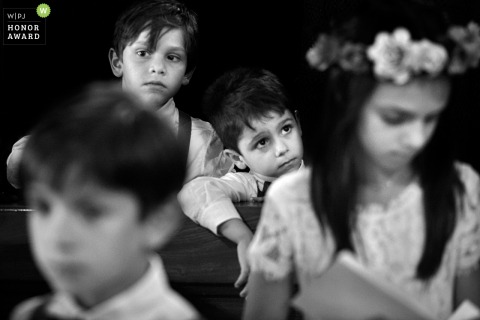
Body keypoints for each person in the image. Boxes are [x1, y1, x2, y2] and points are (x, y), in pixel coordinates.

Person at [243, 0, 480, 319]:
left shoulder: (459, 188)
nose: (417, 139)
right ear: (350, 105)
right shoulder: (294, 200)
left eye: (430, 119)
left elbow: (470, 308)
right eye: (395, 118)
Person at [9, 81, 202, 320]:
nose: (57, 237)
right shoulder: (28, 314)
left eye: (91, 211)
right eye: (44, 207)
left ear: (157, 220)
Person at [5, 0, 232, 189]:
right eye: (143, 53)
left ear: (187, 73)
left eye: (172, 57)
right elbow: (17, 171)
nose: (157, 67)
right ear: (117, 62)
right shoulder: (81, 126)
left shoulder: (207, 140)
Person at [178, 67, 304, 297]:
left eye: (286, 129)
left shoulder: (323, 177)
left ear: (299, 123)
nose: (282, 149)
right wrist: (243, 236)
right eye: (262, 142)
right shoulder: (249, 184)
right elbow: (194, 191)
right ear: (236, 157)